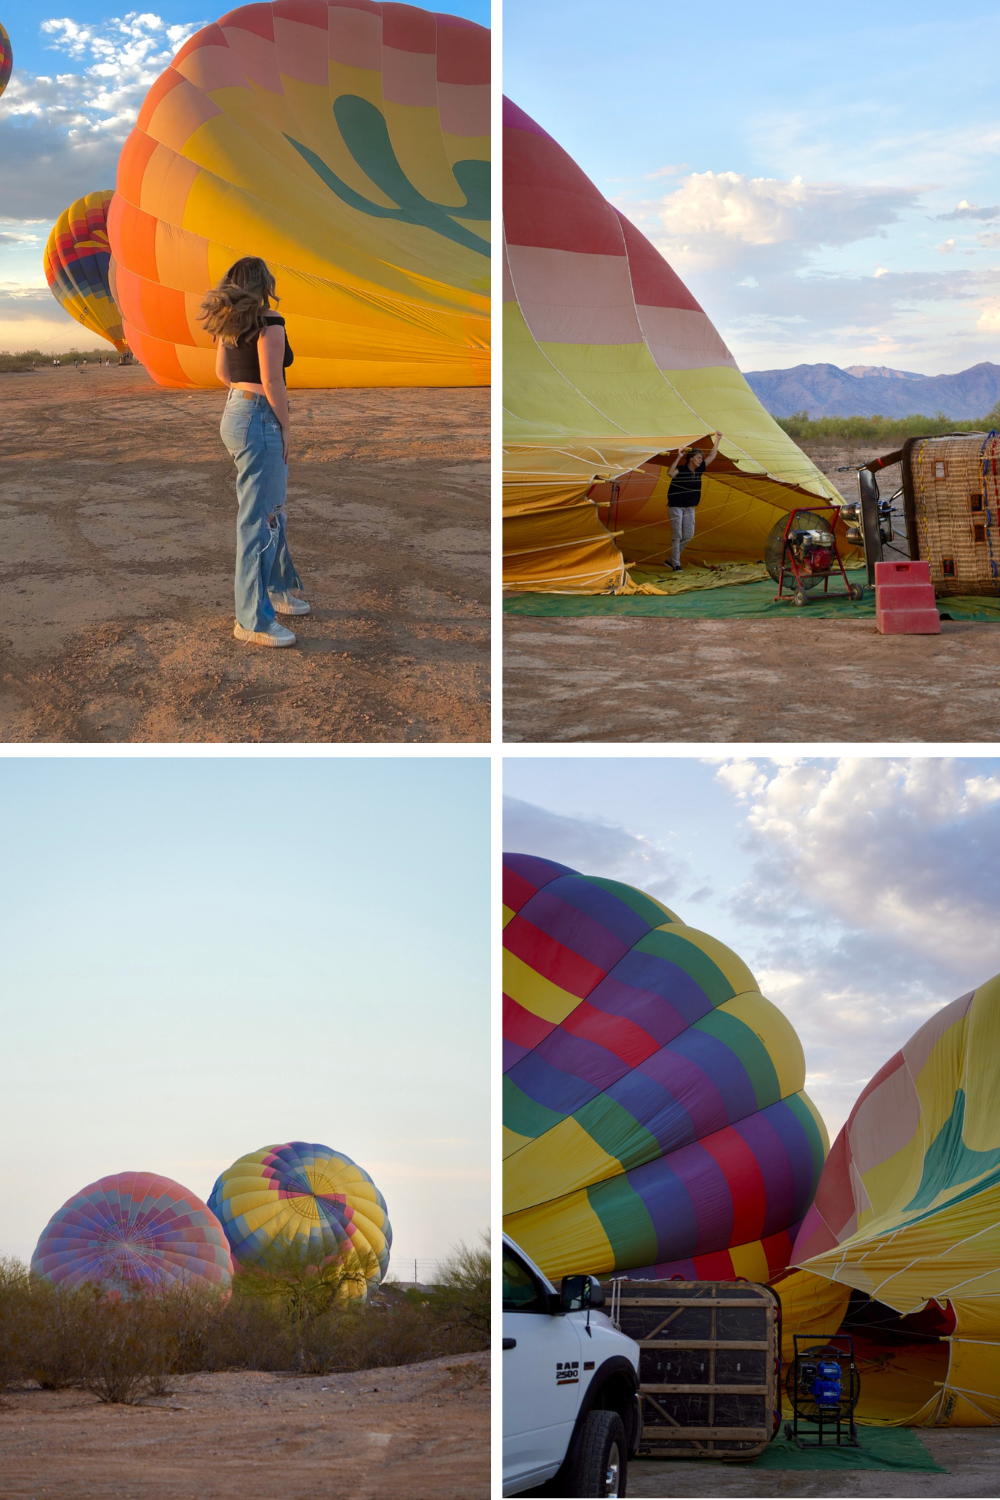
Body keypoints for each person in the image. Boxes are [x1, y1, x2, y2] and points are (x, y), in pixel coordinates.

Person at [198, 256, 308, 648]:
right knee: (259, 519)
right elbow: (272, 380)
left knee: (272, 509)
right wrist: (286, 427)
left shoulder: (230, 326)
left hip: (235, 412)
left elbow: (223, 375)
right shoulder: (270, 324)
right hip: (260, 418)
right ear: (265, 283)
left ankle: (277, 591)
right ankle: (251, 621)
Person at [665, 431, 722, 571]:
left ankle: (671, 559)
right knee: (677, 534)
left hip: (689, 507)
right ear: (691, 458)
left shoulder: (700, 469)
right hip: (676, 506)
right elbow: (670, 473)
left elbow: (712, 456)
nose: (701, 460)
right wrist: (679, 455)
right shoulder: (681, 470)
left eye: (701, 458)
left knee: (689, 535)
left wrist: (717, 439)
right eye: (698, 458)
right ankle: (675, 563)